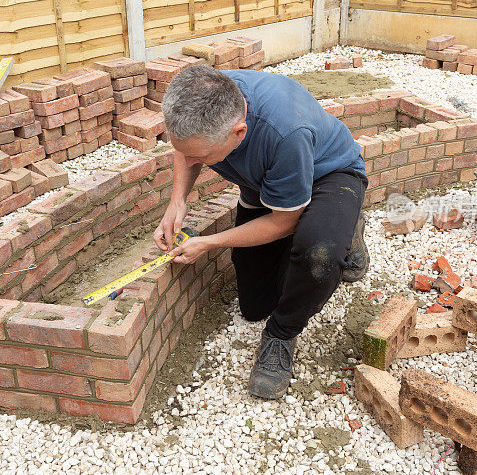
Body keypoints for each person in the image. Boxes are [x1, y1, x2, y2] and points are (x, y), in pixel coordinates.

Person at [153, 65, 369, 400]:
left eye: (202, 155)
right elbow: (186, 150)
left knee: (320, 253)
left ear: (239, 133)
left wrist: (209, 243)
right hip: (270, 183)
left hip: (329, 173)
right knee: (254, 305)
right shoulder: (208, 95)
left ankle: (282, 334)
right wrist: (177, 201)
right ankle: (329, 223)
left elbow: (282, 223)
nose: (193, 159)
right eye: (186, 150)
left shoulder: (285, 133)